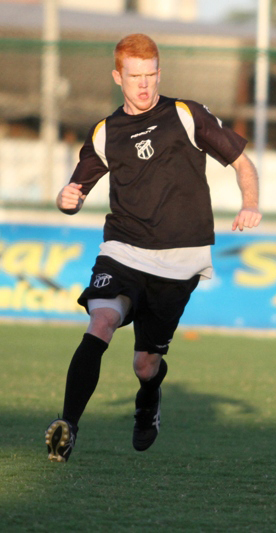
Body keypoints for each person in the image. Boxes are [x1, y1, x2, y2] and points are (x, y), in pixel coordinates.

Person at [45, 34, 262, 463]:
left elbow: (242, 162)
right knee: (102, 321)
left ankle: (148, 398)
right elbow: (74, 190)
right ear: (117, 77)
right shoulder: (106, 132)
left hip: (180, 258)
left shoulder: (185, 114)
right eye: (135, 77)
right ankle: (68, 425)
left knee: (145, 363)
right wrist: (64, 199)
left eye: (151, 75)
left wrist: (250, 202)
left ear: (159, 72)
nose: (144, 85)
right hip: (123, 248)